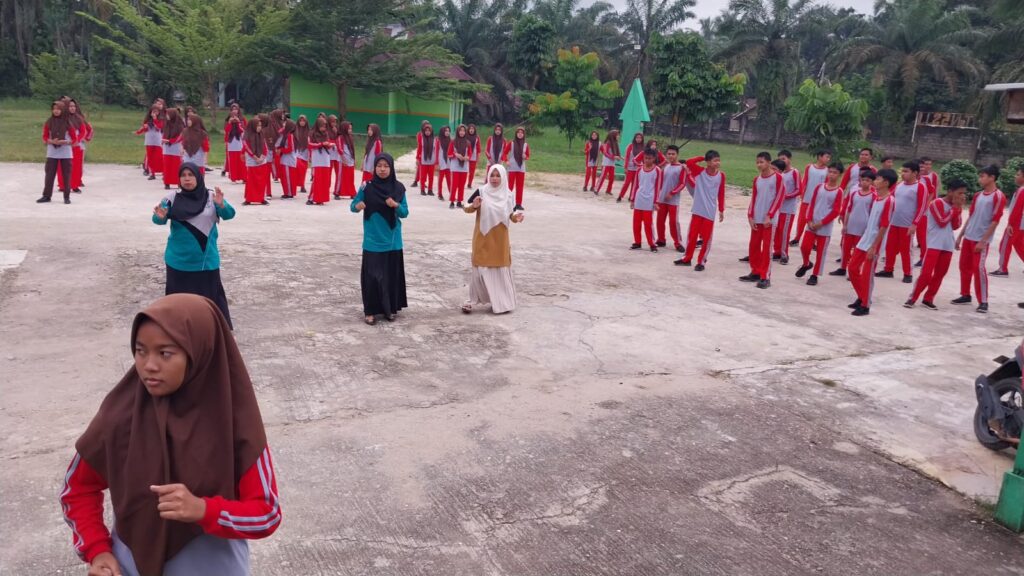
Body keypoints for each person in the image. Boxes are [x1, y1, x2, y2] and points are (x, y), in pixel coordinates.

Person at [59, 293, 280, 576]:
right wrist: (98, 550)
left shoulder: (232, 423)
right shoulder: (120, 416)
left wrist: (204, 510)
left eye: (165, 353)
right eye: (141, 351)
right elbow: (76, 490)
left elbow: (266, 513)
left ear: (199, 352)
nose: (149, 365)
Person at [151, 163, 236, 327]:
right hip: (178, 261)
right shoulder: (171, 198)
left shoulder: (211, 196)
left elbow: (229, 214)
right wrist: (160, 216)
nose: (187, 179)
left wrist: (221, 205)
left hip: (205, 262)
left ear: (198, 177)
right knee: (178, 305)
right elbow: (157, 219)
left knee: (209, 305)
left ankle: (213, 332)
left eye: (191, 175)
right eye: (183, 175)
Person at [351, 154, 409, 325]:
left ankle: (389, 310)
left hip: (392, 241)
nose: (382, 169)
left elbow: (405, 212)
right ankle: (370, 311)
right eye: (379, 166)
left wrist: (396, 205)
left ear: (391, 168)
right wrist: (357, 206)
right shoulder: (366, 187)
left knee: (390, 277)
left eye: (386, 166)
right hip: (373, 240)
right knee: (372, 277)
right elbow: (353, 206)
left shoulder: (399, 188)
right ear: (374, 168)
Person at [462, 165, 525, 314]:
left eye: (498, 176)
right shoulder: (481, 191)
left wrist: (516, 217)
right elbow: (466, 207)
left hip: (500, 240)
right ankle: (473, 300)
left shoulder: (508, 195)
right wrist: (474, 205)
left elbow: (511, 214)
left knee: (499, 270)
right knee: (480, 269)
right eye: (492, 175)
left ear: (503, 177)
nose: (494, 178)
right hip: (483, 238)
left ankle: (502, 303)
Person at [953, 165, 1006, 313]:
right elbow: (971, 216)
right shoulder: (978, 195)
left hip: (980, 239)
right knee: (964, 266)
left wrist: (983, 241)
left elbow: (995, 221)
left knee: (979, 269)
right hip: (969, 236)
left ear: (992, 178)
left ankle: (983, 301)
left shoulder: (998, 196)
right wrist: (960, 236)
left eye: (982, 176)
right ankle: (965, 294)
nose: (980, 179)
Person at [905, 180, 965, 310]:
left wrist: (958, 209)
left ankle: (928, 299)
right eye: (959, 193)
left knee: (940, 273)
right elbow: (941, 221)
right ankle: (913, 298)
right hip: (934, 244)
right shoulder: (937, 203)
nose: (962, 196)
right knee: (926, 274)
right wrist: (955, 208)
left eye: (963, 193)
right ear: (950, 192)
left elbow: (956, 225)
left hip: (947, 245)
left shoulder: (956, 207)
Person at [847, 169, 897, 317]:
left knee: (867, 275)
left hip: (875, 242)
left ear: (886, 183)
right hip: (865, 238)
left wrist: (874, 246)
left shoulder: (889, 200)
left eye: (878, 179)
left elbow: (884, 225)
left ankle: (865, 305)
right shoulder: (877, 198)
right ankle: (862, 296)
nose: (875, 181)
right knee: (852, 268)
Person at [876, 161, 928, 283]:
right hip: (894, 222)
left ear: (915, 173)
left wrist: (914, 224)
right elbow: (890, 198)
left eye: (906, 171)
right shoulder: (899, 185)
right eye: (902, 171)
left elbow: (922, 207)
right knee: (890, 247)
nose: (903, 174)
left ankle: (908, 273)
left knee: (906, 250)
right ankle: (888, 270)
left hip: (907, 224)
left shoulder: (920, 187)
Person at [740, 152, 785, 289]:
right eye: (757, 162)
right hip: (757, 218)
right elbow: (753, 198)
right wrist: (750, 215)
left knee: (766, 248)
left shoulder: (777, 178)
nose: (759, 165)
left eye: (762, 162)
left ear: (769, 163)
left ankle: (765, 276)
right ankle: (755, 271)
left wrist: (770, 215)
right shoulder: (757, 179)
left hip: (769, 221)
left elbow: (780, 198)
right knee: (753, 245)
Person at [675, 151, 726, 271]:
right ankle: (687, 258)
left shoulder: (721, 176)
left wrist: (721, 210)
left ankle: (701, 262)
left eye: (718, 160)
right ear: (708, 162)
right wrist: (703, 157)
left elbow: (721, 193)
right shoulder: (699, 172)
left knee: (706, 239)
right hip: (698, 210)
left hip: (709, 212)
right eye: (714, 160)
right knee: (692, 236)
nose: (717, 163)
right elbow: (689, 162)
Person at [795, 162, 844, 286]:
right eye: (830, 172)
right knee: (804, 246)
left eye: (835, 173)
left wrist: (822, 223)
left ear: (839, 175)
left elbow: (836, 211)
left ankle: (815, 275)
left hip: (824, 227)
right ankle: (806, 263)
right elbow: (812, 203)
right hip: (812, 223)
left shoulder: (839, 191)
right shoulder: (819, 187)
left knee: (821, 252)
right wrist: (809, 220)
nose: (831, 175)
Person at [831, 168, 877, 277]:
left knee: (858, 250)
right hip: (851, 225)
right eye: (863, 180)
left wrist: (868, 229)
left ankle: (855, 270)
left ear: (872, 182)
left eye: (868, 180)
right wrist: (845, 225)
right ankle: (842, 268)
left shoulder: (873, 196)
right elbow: (849, 209)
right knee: (845, 248)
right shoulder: (854, 193)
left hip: (862, 227)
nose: (864, 182)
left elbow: (872, 214)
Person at [38, 100, 76, 204]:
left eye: (58, 109)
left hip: (66, 152)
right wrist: (51, 141)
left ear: (63, 110)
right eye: (54, 109)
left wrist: (66, 142)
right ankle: (46, 196)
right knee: (49, 175)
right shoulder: (49, 122)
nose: (56, 111)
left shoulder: (68, 122)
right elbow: (45, 136)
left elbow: (74, 139)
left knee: (66, 176)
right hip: (52, 152)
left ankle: (66, 197)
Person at [992, 166, 1024, 277]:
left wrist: (1010, 223)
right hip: (1021, 224)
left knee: (1004, 244)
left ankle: (1003, 269)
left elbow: (1017, 208)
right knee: (1019, 244)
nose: (1015, 176)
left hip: (1017, 222)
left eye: (1018, 174)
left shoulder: (1022, 190)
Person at [654, 145, 687, 252]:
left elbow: (682, 184)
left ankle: (678, 243)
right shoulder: (666, 167)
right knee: (660, 221)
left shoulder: (681, 168)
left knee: (673, 222)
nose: (671, 156)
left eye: (673, 154)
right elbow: (660, 182)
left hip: (673, 201)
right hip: (662, 199)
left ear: (677, 155)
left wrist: (672, 193)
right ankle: (661, 240)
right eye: (669, 154)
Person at [794, 150, 832, 242]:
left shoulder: (827, 170)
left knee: (815, 220)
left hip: (818, 201)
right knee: (802, 219)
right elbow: (805, 181)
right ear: (820, 157)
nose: (828, 159)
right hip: (807, 198)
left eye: (829, 158)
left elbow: (827, 184)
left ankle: (813, 241)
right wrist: (802, 193)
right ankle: (797, 238)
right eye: (826, 157)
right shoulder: (809, 167)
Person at [772, 150, 802, 264]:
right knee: (777, 230)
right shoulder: (779, 172)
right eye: (780, 159)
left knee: (784, 232)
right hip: (778, 207)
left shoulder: (794, 172)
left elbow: (799, 190)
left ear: (789, 159)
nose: (782, 161)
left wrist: (786, 196)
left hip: (788, 208)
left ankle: (785, 254)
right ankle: (777, 252)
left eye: (784, 159)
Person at [629, 149, 662, 252]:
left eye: (650, 158)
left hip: (649, 200)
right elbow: (635, 185)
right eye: (646, 158)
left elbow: (658, 187)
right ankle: (637, 242)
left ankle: (652, 244)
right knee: (636, 223)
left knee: (648, 223)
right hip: (639, 198)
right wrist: (632, 199)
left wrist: (656, 202)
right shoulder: (639, 170)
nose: (647, 160)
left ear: (654, 158)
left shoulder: (657, 170)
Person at [60, 98, 92, 194]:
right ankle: (63, 185)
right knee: (62, 166)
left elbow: (83, 131)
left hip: (77, 145)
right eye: (70, 106)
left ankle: (75, 185)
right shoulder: (61, 118)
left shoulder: (79, 118)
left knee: (76, 166)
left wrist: (76, 140)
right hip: (65, 145)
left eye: (74, 106)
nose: (72, 108)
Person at [915, 157, 941, 265]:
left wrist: (927, 205)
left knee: (924, 232)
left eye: (925, 165)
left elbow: (933, 191)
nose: (924, 168)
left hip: (924, 209)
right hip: (913, 209)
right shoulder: (912, 179)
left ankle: (923, 256)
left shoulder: (928, 178)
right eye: (921, 166)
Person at [242, 116, 270, 206]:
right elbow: (247, 147)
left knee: (262, 181)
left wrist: (262, 157)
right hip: (252, 161)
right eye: (257, 125)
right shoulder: (246, 135)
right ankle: (249, 199)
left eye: (260, 125)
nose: (259, 127)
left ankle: (261, 198)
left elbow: (265, 147)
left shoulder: (262, 134)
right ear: (253, 126)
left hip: (262, 161)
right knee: (251, 181)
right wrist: (255, 158)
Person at [307, 116, 335, 205]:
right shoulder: (312, 134)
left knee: (324, 180)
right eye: (322, 126)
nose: (324, 128)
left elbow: (327, 144)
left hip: (325, 159)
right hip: (317, 160)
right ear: (318, 125)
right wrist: (321, 144)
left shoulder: (326, 134)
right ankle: (311, 198)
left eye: (325, 126)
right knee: (317, 179)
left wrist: (329, 145)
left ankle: (321, 199)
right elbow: (309, 145)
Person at [504, 126, 530, 211]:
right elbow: (504, 153)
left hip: (521, 168)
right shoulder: (511, 143)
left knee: (520, 187)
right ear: (516, 134)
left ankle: (518, 204)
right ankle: (508, 203)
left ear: (524, 134)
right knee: (510, 187)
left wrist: (525, 157)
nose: (520, 134)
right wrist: (506, 161)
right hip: (512, 168)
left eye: (522, 133)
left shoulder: (525, 145)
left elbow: (528, 156)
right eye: (518, 132)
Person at [136, 106, 165, 181]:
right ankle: (152, 173)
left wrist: (155, 119)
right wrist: (139, 131)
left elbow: (159, 127)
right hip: (149, 141)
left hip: (157, 141)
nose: (154, 113)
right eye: (153, 111)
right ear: (150, 112)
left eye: (156, 112)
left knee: (159, 157)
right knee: (150, 158)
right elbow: (144, 128)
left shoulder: (161, 119)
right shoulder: (147, 120)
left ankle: (164, 172)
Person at [448, 124, 472, 209]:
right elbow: (449, 154)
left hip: (464, 167)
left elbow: (470, 154)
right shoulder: (453, 142)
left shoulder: (468, 143)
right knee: (454, 185)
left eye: (463, 131)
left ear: (465, 132)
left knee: (462, 185)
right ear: (457, 132)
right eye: (460, 130)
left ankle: (459, 201)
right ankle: (452, 202)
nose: (462, 132)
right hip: (455, 167)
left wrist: (467, 158)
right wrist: (456, 155)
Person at [161, 109, 185, 191]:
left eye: (168, 114)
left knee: (176, 166)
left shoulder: (180, 125)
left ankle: (178, 182)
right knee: (167, 166)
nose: (167, 116)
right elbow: (164, 134)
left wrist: (170, 141)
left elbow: (180, 137)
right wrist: (163, 140)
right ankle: (167, 182)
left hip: (176, 148)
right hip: (167, 149)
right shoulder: (166, 124)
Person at [617, 132, 645, 202]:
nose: (638, 139)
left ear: (642, 139)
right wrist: (625, 167)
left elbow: (644, 158)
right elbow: (627, 157)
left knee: (635, 184)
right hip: (630, 167)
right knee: (627, 183)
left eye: (640, 138)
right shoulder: (630, 146)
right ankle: (620, 196)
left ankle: (631, 197)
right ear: (634, 138)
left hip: (638, 168)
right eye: (637, 138)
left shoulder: (643, 147)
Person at [223, 104, 246, 184]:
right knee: (233, 162)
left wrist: (238, 122)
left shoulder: (242, 119)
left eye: (236, 109)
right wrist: (230, 122)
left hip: (240, 143)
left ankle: (244, 177)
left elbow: (243, 131)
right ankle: (233, 178)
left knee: (242, 161)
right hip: (231, 144)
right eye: (233, 109)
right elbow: (226, 131)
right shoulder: (228, 120)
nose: (234, 111)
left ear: (238, 110)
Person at [595, 131, 621, 196]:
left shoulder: (616, 143)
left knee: (612, 178)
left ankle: (608, 190)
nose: (618, 136)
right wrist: (613, 157)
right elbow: (605, 153)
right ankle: (596, 189)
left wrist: (619, 157)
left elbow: (617, 153)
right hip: (606, 163)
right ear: (613, 135)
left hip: (612, 163)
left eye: (618, 135)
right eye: (617, 135)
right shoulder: (608, 143)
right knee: (603, 177)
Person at [276, 119, 297, 198]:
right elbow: (279, 132)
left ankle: (289, 193)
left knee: (287, 177)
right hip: (286, 158)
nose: (283, 126)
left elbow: (290, 148)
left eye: (285, 124)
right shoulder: (286, 134)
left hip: (288, 159)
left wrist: (281, 150)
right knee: (285, 177)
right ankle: (288, 192)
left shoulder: (289, 135)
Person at [336, 121, 357, 199]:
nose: (350, 130)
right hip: (343, 161)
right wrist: (343, 159)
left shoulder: (350, 137)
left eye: (351, 129)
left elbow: (352, 149)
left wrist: (354, 159)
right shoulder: (340, 137)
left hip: (350, 160)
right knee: (341, 177)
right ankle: (337, 192)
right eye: (349, 129)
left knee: (350, 177)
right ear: (344, 128)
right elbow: (339, 149)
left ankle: (352, 193)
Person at [418, 123, 438, 197]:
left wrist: (436, 161)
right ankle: (422, 190)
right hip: (423, 160)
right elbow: (419, 149)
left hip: (432, 160)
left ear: (431, 131)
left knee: (431, 177)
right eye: (426, 130)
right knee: (423, 177)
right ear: (424, 131)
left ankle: (430, 190)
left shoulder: (435, 140)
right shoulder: (421, 139)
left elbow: (436, 150)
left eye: (429, 130)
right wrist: (418, 158)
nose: (427, 132)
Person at [293, 115, 310, 194]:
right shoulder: (295, 130)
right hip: (297, 151)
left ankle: (302, 185)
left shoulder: (309, 131)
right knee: (298, 167)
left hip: (305, 152)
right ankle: (295, 184)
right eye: (300, 121)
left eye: (303, 121)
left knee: (303, 170)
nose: (302, 122)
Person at [436, 125, 452, 202]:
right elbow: (436, 152)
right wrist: (437, 163)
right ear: (442, 132)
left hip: (448, 163)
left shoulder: (450, 140)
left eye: (448, 131)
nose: (447, 132)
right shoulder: (438, 141)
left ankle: (451, 194)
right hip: (441, 163)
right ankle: (440, 194)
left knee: (449, 179)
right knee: (440, 180)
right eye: (446, 131)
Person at [413, 120, 430, 188]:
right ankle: (416, 181)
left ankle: (423, 182)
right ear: (422, 126)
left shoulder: (430, 134)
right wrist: (417, 157)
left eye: (427, 125)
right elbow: (419, 145)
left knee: (425, 170)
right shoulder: (419, 134)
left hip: (428, 154)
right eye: (424, 125)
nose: (426, 126)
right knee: (419, 168)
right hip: (421, 154)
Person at [466, 124, 482, 188]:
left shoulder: (477, 137)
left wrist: (478, 158)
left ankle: (469, 183)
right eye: (470, 129)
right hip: (466, 157)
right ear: (468, 129)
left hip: (473, 157)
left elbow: (478, 149)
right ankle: (462, 182)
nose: (471, 130)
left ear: (474, 130)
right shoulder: (465, 136)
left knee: (472, 172)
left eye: (472, 129)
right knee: (465, 171)